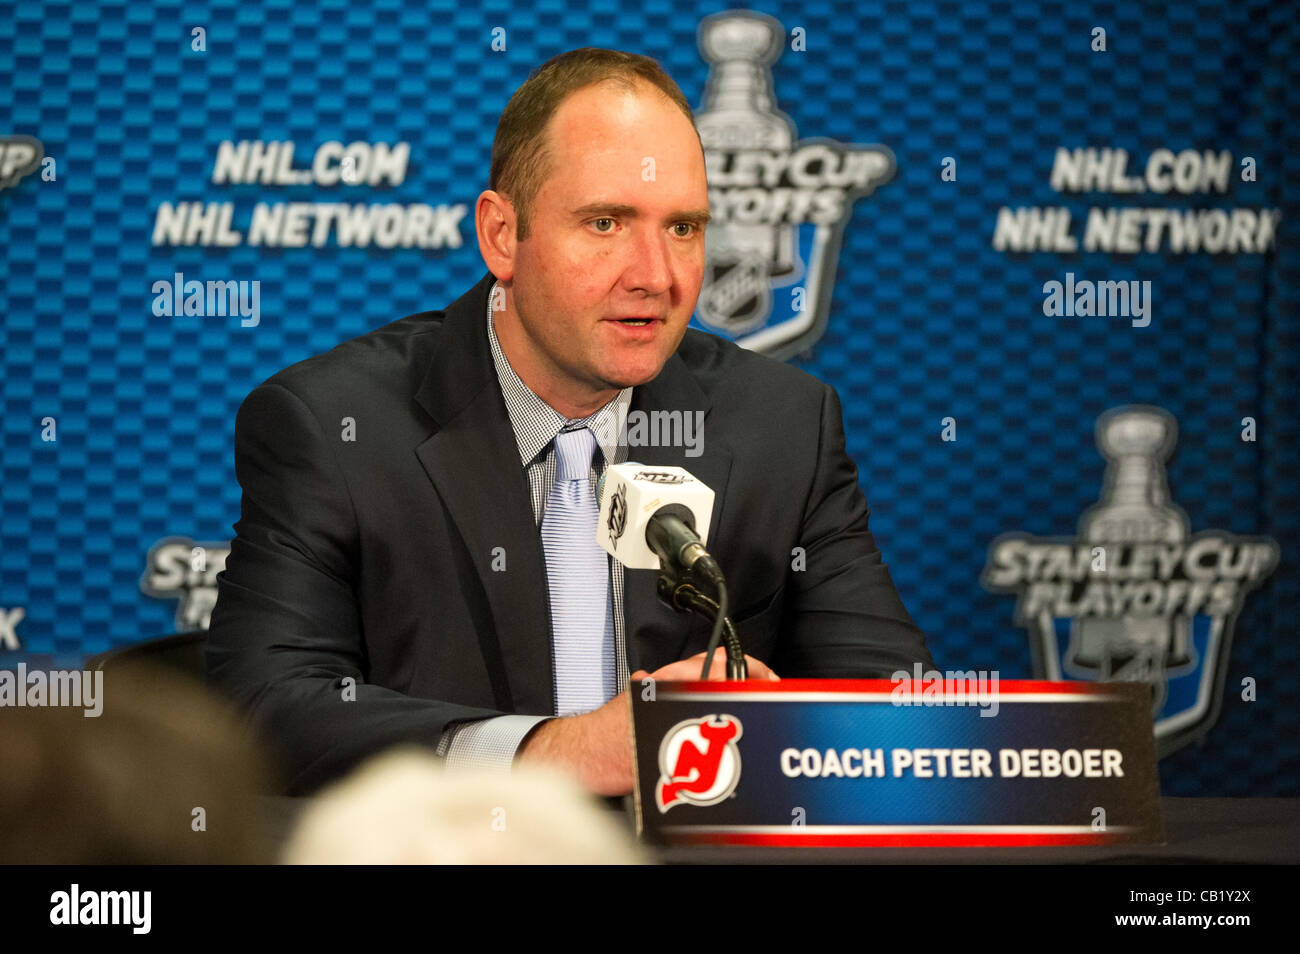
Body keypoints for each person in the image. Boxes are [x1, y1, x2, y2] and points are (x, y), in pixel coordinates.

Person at [205, 47, 935, 799]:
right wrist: (560, 753)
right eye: (606, 222)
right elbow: (263, 707)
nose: (656, 273)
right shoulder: (337, 426)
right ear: (500, 236)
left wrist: (780, 730)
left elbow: (901, 715)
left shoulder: (783, 427)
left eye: (683, 227)